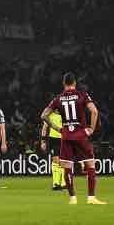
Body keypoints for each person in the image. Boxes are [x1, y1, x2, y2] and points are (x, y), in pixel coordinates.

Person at [41, 72, 106, 205]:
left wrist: (58, 128)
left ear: (64, 84)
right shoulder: (82, 95)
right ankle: (91, 197)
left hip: (66, 136)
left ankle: (72, 198)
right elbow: (94, 111)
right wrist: (91, 129)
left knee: (67, 167)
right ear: (75, 83)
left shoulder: (58, 98)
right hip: (80, 135)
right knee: (90, 164)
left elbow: (44, 115)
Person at [40, 107, 65, 190]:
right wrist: (43, 142)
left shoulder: (64, 116)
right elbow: (44, 128)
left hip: (63, 139)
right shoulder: (50, 116)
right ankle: (56, 183)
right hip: (53, 140)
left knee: (63, 161)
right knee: (56, 160)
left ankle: (63, 183)